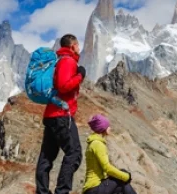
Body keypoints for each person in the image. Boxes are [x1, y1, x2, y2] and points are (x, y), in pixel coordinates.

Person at [35, 34, 86, 194]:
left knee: (47, 156)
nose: (79, 48)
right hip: (61, 114)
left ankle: (42, 191)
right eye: (78, 45)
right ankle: (62, 191)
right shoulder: (67, 61)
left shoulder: (58, 61)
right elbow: (64, 86)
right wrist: (80, 76)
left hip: (51, 115)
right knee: (74, 152)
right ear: (72, 46)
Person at [83, 114, 137, 194]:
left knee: (120, 188)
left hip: (93, 188)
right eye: (108, 126)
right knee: (123, 177)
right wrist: (127, 177)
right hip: (94, 188)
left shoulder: (94, 142)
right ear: (103, 128)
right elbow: (107, 168)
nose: (110, 128)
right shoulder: (98, 144)